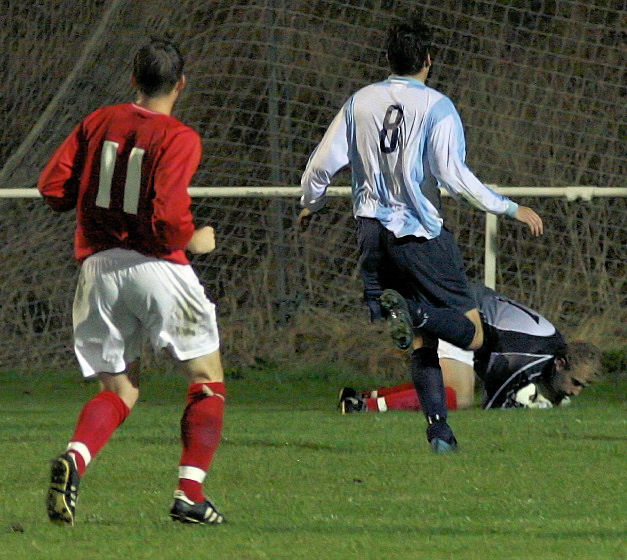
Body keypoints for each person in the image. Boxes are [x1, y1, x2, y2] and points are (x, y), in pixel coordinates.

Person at [298, 15, 543, 452]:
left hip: (372, 235)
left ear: (388, 59)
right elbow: (453, 174)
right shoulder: (437, 106)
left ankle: (440, 433)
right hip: (420, 236)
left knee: (420, 346)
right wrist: (508, 207)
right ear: (428, 61)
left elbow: (320, 166)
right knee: (472, 334)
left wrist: (310, 203)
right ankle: (419, 313)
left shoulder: (360, 102)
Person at [38, 39, 226, 526]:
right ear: (180, 83)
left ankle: (75, 458)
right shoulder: (179, 136)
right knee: (206, 378)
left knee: (120, 388)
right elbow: (167, 218)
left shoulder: (98, 121)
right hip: (157, 266)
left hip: (98, 270)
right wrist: (195, 239)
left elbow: (52, 188)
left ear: (133, 80)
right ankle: (189, 494)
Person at [339, 284, 602, 412]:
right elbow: (492, 406)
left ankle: (363, 398)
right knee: (459, 396)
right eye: (575, 382)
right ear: (560, 364)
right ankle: (363, 408)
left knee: (444, 385)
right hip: (459, 313)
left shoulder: (550, 347)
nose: (575, 392)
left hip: (461, 308)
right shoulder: (528, 354)